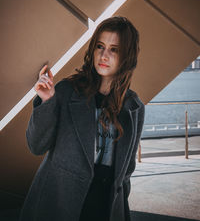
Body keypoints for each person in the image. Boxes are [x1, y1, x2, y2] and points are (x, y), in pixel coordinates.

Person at [19, 16, 145, 221]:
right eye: (100, 46)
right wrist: (47, 102)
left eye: (114, 49)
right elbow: (36, 146)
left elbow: (126, 172)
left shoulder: (134, 106)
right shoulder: (66, 91)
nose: (104, 55)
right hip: (59, 202)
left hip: (106, 207)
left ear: (127, 56)